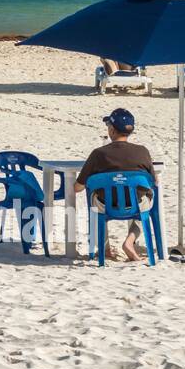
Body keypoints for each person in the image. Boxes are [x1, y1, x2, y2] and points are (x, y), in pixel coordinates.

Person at [74, 108, 155, 262]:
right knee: (145, 197)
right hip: (135, 205)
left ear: (111, 130)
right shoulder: (142, 151)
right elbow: (153, 181)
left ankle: (105, 250)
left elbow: (78, 187)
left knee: (94, 202)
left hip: (106, 205)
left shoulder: (99, 154)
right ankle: (130, 241)